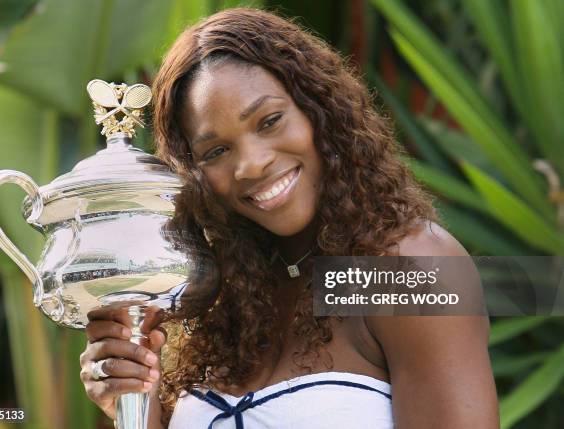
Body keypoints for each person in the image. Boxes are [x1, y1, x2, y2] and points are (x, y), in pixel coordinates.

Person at [79, 8, 499, 428]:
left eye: (270, 121)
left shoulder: (402, 271)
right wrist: (134, 406)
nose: (253, 165)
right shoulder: (222, 299)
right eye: (216, 152)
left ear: (319, 109)